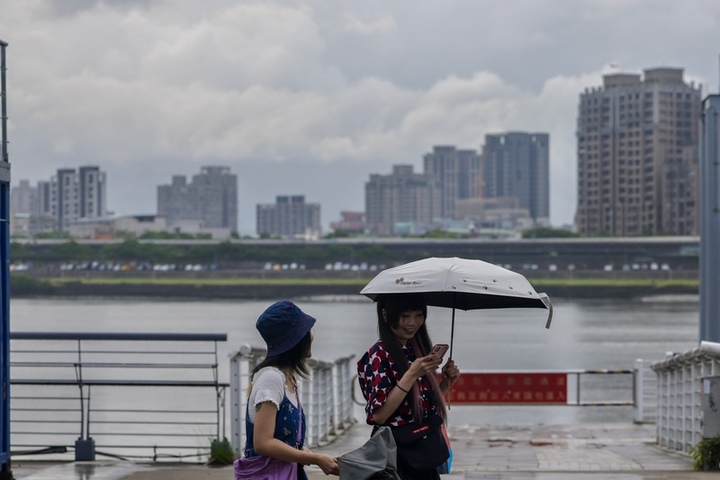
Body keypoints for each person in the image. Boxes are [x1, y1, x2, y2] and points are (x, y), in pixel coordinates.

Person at [357, 293, 461, 479]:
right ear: (386, 315)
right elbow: (379, 416)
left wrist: (445, 384)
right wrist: (412, 374)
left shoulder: (415, 350)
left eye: (419, 315)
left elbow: (421, 406)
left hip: (422, 449)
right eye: (405, 316)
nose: (412, 322)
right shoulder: (378, 356)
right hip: (396, 453)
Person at [241, 300, 338, 478]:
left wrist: (305, 453)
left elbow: (283, 439)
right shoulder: (271, 379)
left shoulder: (288, 379)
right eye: (308, 330)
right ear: (298, 339)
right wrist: (316, 459)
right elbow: (262, 443)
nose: (312, 335)